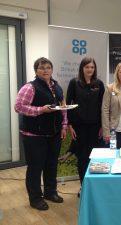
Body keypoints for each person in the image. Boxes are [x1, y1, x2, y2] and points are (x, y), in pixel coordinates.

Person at [15, 57, 67, 210]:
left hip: (54, 134)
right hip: (34, 135)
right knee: (35, 168)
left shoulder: (57, 87)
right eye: (42, 68)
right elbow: (18, 107)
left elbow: (63, 107)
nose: (45, 70)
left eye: (48, 67)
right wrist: (40, 110)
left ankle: (50, 192)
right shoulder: (29, 87)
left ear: (52, 70)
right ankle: (35, 198)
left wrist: (64, 125)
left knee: (51, 165)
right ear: (36, 71)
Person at [66, 57, 105, 185]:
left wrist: (102, 126)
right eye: (87, 67)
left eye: (92, 67)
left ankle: (94, 185)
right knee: (82, 157)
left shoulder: (99, 84)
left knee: (95, 156)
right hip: (79, 127)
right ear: (82, 68)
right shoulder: (74, 83)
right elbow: (68, 105)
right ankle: (83, 185)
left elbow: (103, 106)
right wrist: (70, 125)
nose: (90, 69)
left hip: (95, 127)